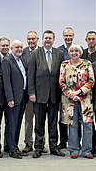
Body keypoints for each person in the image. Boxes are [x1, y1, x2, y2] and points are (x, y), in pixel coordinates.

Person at [28, 30, 65, 158]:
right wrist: (31, 92)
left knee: (53, 123)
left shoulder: (59, 54)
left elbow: (62, 75)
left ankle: (54, 147)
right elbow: (30, 74)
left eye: (50, 38)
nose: (48, 40)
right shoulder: (35, 54)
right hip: (39, 95)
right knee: (39, 123)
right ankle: (38, 148)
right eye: (46, 38)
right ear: (42, 40)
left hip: (54, 95)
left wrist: (62, 93)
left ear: (54, 40)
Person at [59, 44, 95, 159]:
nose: (74, 53)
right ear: (69, 53)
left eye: (77, 51)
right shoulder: (64, 64)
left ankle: (87, 150)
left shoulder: (87, 64)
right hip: (69, 100)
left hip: (85, 100)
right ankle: (74, 150)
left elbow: (91, 81)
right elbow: (61, 82)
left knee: (87, 125)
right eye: (72, 51)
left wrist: (79, 92)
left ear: (80, 52)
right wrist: (71, 94)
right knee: (72, 124)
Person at [21, 31, 48, 154]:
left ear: (38, 39)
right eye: (29, 39)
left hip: (42, 93)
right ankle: (28, 142)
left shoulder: (43, 52)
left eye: (33, 39)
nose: (31, 41)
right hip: (28, 93)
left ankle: (41, 143)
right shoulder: (23, 52)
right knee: (29, 119)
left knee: (41, 119)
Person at [2, 40, 28, 159]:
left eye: (21, 47)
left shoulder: (21, 60)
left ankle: (12, 146)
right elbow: (6, 82)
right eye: (17, 47)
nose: (19, 49)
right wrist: (10, 98)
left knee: (17, 124)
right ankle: (12, 149)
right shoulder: (7, 61)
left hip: (22, 97)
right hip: (13, 98)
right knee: (12, 123)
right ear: (11, 48)